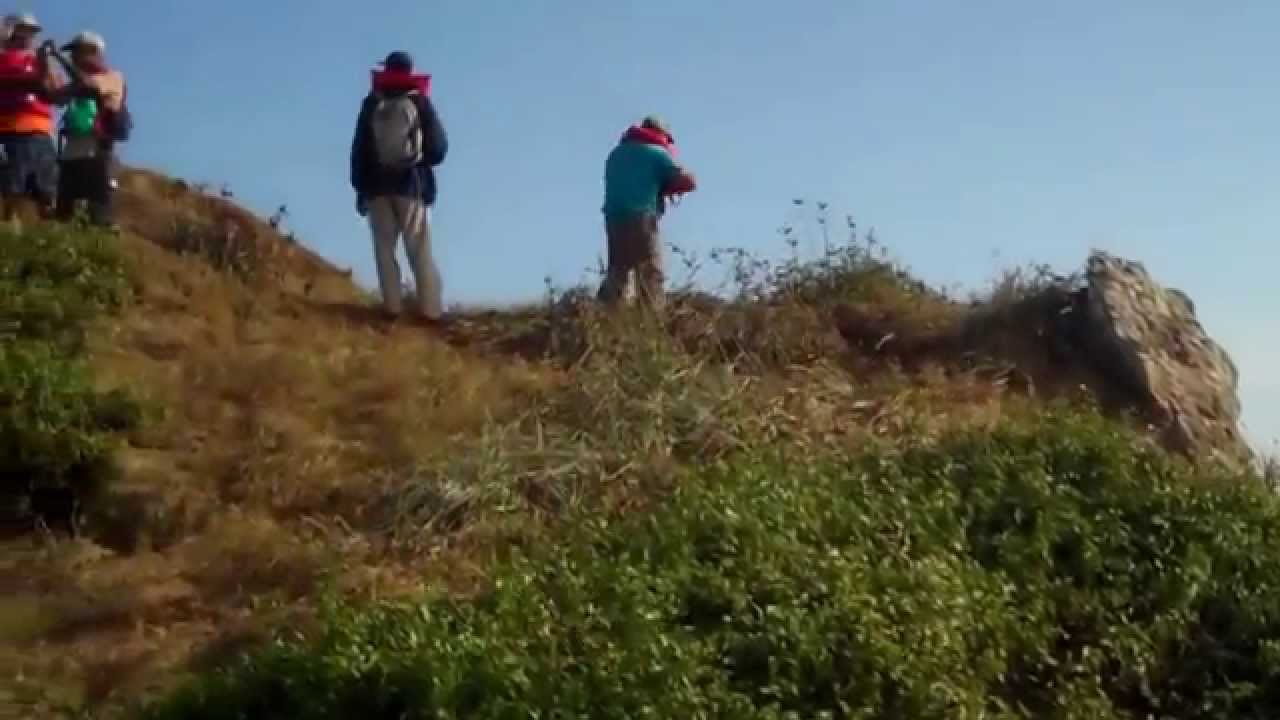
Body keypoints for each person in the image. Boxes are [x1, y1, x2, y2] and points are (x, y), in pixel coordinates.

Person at [350, 51, 448, 324]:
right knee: (419, 248)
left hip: (377, 189)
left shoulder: (372, 102)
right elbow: (438, 149)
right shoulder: (419, 101)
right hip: (411, 186)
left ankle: (391, 309)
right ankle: (430, 312)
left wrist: (360, 187)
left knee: (384, 249)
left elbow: (359, 150)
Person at [597, 115, 697, 312]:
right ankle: (652, 318)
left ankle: (606, 314)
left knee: (618, 271)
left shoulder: (616, 154)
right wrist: (667, 186)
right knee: (651, 272)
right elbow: (689, 182)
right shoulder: (656, 153)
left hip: (614, 219)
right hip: (642, 217)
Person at [51, 31, 127, 227]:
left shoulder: (112, 77)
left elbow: (88, 86)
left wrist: (58, 57)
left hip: (97, 152)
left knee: (98, 212)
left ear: (94, 52)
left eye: (77, 52)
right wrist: (43, 62)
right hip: (72, 152)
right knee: (64, 211)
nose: (73, 58)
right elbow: (54, 97)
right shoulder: (77, 82)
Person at [0, 13, 62, 220]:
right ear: (10, 32)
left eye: (32, 32)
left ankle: (46, 232)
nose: (29, 36)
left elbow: (56, 95)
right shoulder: (3, 60)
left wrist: (48, 64)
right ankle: (10, 228)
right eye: (24, 30)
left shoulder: (38, 61)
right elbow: (28, 82)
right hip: (13, 131)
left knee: (47, 190)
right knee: (13, 187)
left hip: (42, 132)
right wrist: (42, 68)